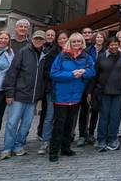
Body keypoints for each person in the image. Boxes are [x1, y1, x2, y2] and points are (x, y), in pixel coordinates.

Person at [49, 32, 95, 162]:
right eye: (74, 41)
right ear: (70, 42)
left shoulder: (86, 56)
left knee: (70, 124)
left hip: (76, 95)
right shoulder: (62, 56)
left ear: (82, 43)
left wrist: (84, 72)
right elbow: (54, 73)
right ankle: (53, 151)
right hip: (61, 95)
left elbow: (92, 71)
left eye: (78, 41)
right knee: (59, 125)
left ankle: (66, 147)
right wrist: (71, 74)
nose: (76, 44)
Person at [1, 31, 47, 159]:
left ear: (44, 41)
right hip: (19, 95)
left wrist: (40, 95)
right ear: (32, 39)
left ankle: (19, 146)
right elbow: (12, 73)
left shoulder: (44, 55)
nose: (38, 41)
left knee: (26, 124)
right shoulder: (23, 52)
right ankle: (7, 148)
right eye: (36, 38)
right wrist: (9, 93)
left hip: (32, 98)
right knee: (12, 123)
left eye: (41, 39)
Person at [89, 36, 121, 152]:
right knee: (104, 116)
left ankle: (112, 138)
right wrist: (90, 92)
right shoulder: (101, 57)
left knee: (115, 117)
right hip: (104, 91)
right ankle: (101, 139)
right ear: (108, 45)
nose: (114, 46)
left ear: (118, 44)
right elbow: (94, 76)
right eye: (111, 44)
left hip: (118, 92)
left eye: (115, 44)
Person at [38, 30, 69, 155]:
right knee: (50, 116)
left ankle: (60, 140)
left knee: (62, 117)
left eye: (64, 39)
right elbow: (46, 72)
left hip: (66, 90)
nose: (62, 41)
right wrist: (59, 76)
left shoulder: (72, 53)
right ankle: (46, 141)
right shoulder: (52, 53)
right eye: (60, 39)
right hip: (53, 89)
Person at [86, 32, 107, 144]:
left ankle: (102, 133)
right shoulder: (89, 50)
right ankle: (89, 133)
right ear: (95, 39)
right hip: (91, 81)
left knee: (103, 111)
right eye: (98, 37)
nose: (99, 39)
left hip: (103, 83)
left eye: (101, 37)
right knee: (93, 110)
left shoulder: (106, 51)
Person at [37, 29, 57, 141]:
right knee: (43, 110)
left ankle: (44, 132)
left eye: (52, 35)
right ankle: (41, 131)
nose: (50, 36)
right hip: (41, 83)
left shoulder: (54, 49)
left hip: (48, 83)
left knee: (48, 110)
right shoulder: (41, 47)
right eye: (48, 35)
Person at [76, 26, 94, 147]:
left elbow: (92, 69)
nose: (87, 34)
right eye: (85, 32)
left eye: (89, 32)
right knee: (72, 112)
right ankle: (70, 134)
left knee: (84, 111)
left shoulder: (91, 50)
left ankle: (83, 134)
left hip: (87, 84)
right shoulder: (74, 50)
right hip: (74, 84)